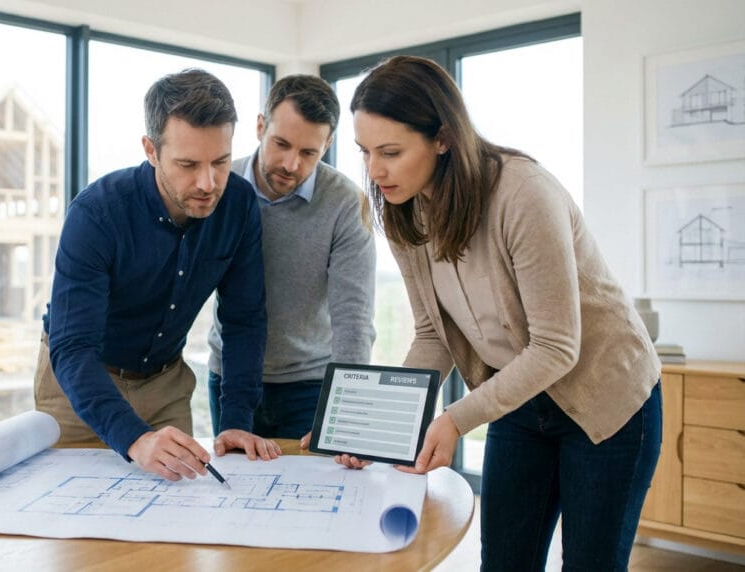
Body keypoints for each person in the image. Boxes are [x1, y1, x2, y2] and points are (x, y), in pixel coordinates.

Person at [336, 55, 661, 570]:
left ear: (442, 137)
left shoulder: (522, 192)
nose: (375, 171)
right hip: (518, 400)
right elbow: (433, 335)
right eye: (366, 152)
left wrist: (454, 419)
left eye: (391, 152)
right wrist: (383, 427)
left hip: (607, 402)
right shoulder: (404, 205)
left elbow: (556, 345)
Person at [34, 68, 281, 483]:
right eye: (187, 164)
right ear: (151, 150)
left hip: (165, 385)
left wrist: (237, 418)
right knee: (77, 529)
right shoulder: (96, 214)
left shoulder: (238, 205)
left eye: (220, 161)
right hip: (79, 386)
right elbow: (73, 347)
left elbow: (244, 320)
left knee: (174, 523)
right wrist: (134, 438)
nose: (208, 183)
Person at [207, 75, 376, 440]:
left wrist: (346, 412)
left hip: (310, 386)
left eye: (308, 153)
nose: (291, 164)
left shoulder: (345, 202)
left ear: (327, 144)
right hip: (230, 376)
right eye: (281, 144)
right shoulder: (219, 183)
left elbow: (354, 318)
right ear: (259, 126)